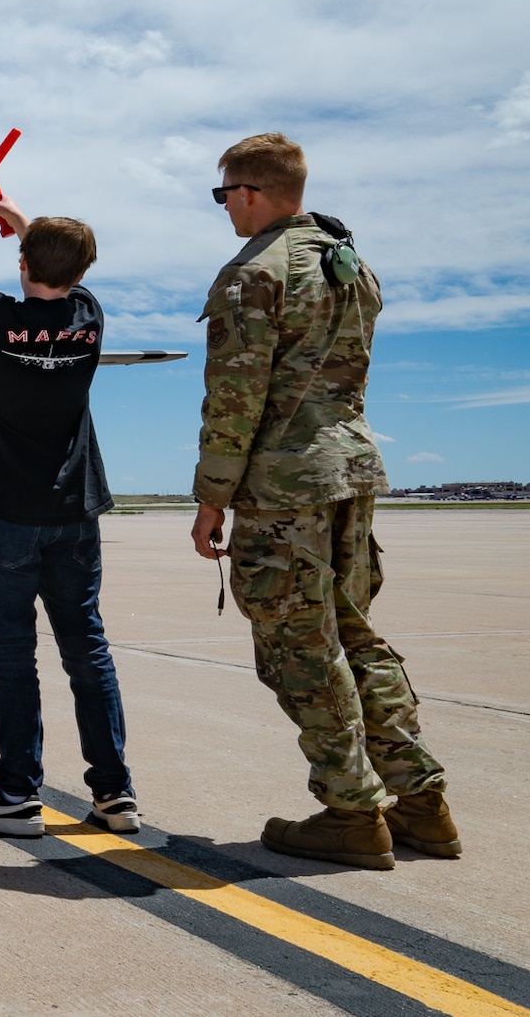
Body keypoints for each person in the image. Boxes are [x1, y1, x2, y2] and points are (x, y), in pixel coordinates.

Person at [192, 133, 456, 869]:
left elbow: (235, 397)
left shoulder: (255, 272)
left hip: (284, 487)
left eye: (225, 196)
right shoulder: (350, 263)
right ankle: (420, 798)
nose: (225, 211)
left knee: (299, 645)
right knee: (352, 632)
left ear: (248, 192)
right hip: (349, 474)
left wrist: (213, 497)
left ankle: (351, 809)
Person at [0, 185, 138, 838]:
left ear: (23, 268)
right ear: (81, 272)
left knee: (14, 655)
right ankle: (115, 793)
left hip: (3, 513)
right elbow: (51, 262)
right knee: (88, 650)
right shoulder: (89, 316)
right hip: (75, 512)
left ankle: (18, 792)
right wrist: (18, 221)